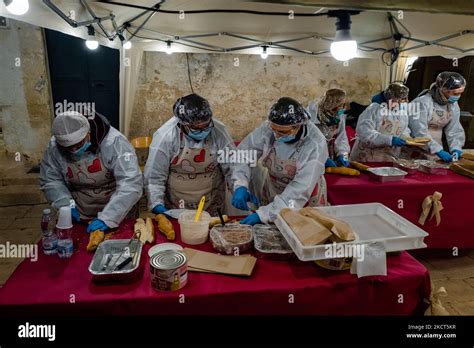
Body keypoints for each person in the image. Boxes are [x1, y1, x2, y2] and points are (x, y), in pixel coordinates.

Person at [39, 111, 143, 232]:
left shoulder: (114, 142)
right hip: (81, 210)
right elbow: (51, 179)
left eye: (79, 145)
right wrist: (65, 204)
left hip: (118, 211)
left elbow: (130, 182)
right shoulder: (55, 146)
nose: (73, 150)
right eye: (68, 148)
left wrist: (109, 218)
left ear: (88, 133)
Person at [232, 97, 328, 225]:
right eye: (274, 130)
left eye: (283, 132)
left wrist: (266, 214)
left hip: (303, 196)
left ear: (298, 126)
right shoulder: (269, 128)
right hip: (273, 186)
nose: (276, 135)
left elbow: (300, 189)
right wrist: (240, 184)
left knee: (301, 229)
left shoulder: (315, 143)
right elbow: (244, 153)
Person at [144, 93, 235, 216]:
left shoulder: (218, 131)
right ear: (183, 124)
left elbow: (233, 165)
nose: (203, 131)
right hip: (177, 201)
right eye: (196, 128)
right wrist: (156, 204)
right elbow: (154, 176)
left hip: (212, 200)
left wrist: (239, 187)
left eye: (206, 126)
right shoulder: (165, 137)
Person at [407, 71, 466, 162]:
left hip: (437, 151)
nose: (458, 97)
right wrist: (437, 150)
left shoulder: (452, 105)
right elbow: (418, 132)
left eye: (460, 93)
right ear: (443, 89)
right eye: (455, 94)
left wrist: (456, 148)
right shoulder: (421, 103)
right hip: (415, 150)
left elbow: (454, 129)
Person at [350, 83, 410, 162]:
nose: (406, 101)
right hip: (367, 157)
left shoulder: (402, 112)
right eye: (402, 99)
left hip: (388, 158)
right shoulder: (374, 109)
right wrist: (389, 140)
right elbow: (364, 132)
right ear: (392, 98)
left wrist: (406, 138)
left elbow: (404, 129)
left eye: (405, 98)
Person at [307, 88, 350, 167]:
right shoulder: (312, 115)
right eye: (340, 105)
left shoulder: (339, 115)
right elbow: (308, 142)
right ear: (331, 104)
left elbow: (342, 138)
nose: (342, 108)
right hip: (311, 157)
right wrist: (322, 158)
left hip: (329, 156)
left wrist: (344, 156)